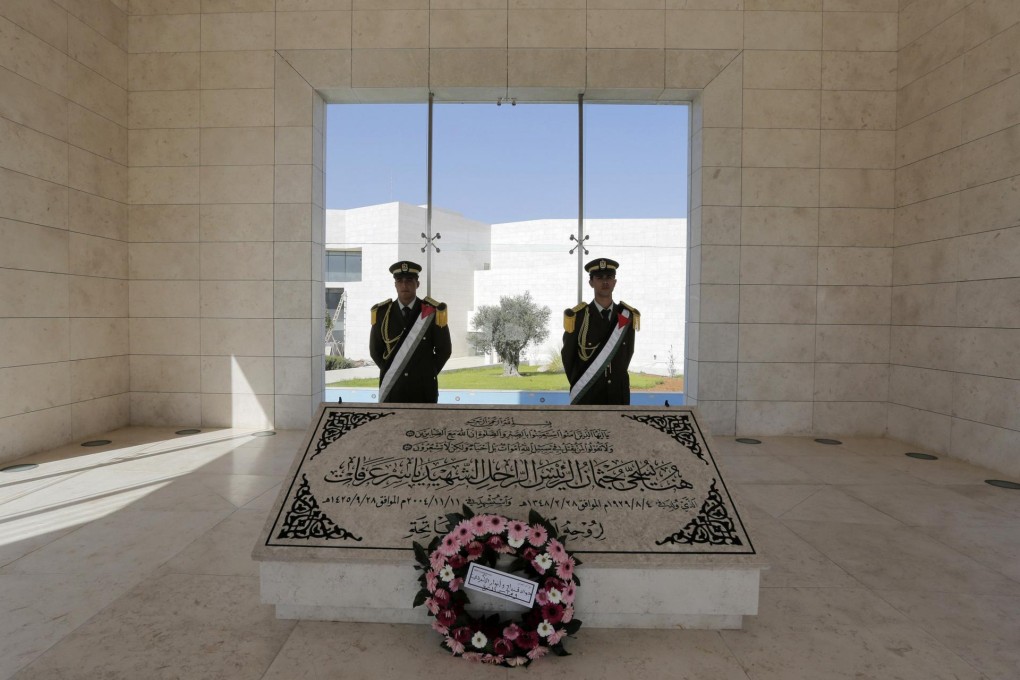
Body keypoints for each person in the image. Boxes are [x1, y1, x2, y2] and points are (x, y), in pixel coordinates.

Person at [369, 261, 452, 403]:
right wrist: (392, 371)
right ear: (395, 285)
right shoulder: (382, 313)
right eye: (399, 281)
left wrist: (426, 373)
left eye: (409, 280)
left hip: (423, 389)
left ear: (417, 284)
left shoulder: (432, 312)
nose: (404, 285)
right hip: (393, 388)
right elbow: (375, 350)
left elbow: (444, 350)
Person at [561, 258, 639, 405]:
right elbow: (568, 356)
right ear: (591, 283)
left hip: (618, 394)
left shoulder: (626, 315)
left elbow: (627, 353)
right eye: (599, 278)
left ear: (615, 282)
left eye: (609, 277)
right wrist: (582, 381)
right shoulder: (578, 317)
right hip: (588, 392)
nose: (605, 282)